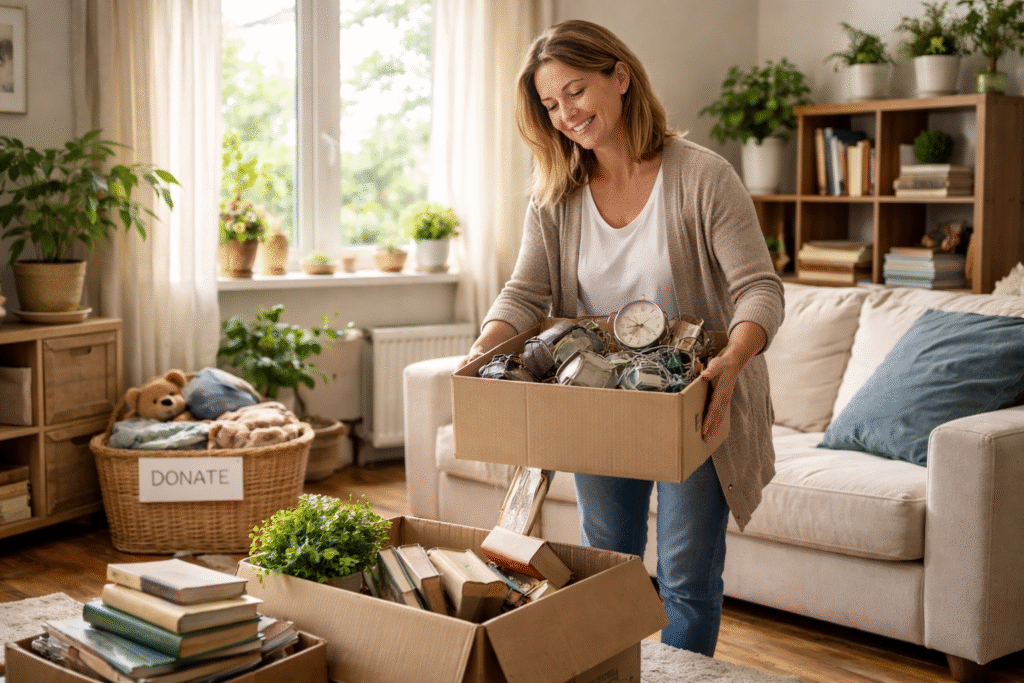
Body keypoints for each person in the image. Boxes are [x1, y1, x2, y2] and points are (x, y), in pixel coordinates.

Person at [461, 19, 784, 656]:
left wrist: (732, 364)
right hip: (596, 398)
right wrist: (485, 347)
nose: (565, 115)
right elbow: (524, 294)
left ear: (621, 78)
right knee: (609, 567)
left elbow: (760, 289)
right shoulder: (555, 195)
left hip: (691, 400)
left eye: (575, 92)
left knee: (688, 578)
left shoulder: (701, 177)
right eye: (550, 105)